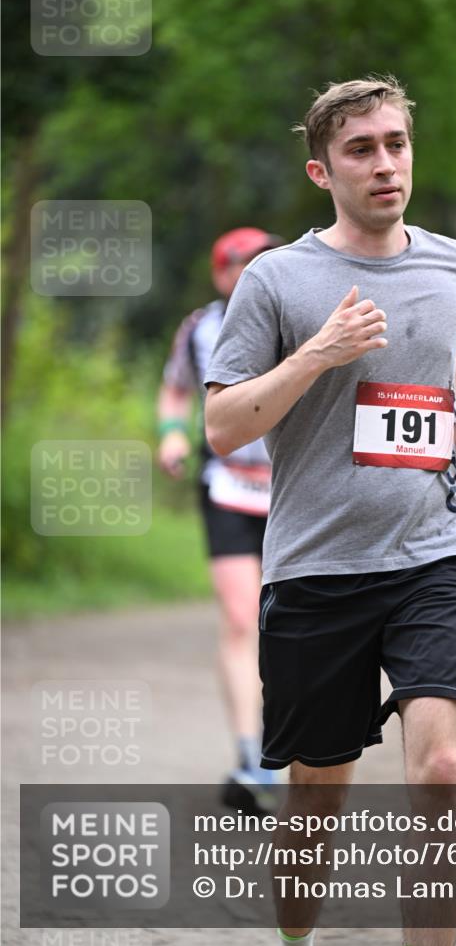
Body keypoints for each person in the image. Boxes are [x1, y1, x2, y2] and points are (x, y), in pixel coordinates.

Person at [204, 77, 456, 946]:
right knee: (316, 794)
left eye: (395, 144)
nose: (384, 164)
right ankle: (295, 936)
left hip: (434, 554)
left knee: (441, 772)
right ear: (320, 171)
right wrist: (317, 355)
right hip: (318, 569)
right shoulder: (277, 279)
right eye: (360, 150)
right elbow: (223, 426)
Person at [157, 226, 284, 813]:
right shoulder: (199, 328)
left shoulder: (297, 315)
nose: (258, 269)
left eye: (267, 259)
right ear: (221, 273)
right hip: (228, 487)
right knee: (240, 618)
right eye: (246, 262)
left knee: (287, 623)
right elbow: (175, 390)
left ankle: (289, 745)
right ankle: (250, 754)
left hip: (294, 493)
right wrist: (171, 436)